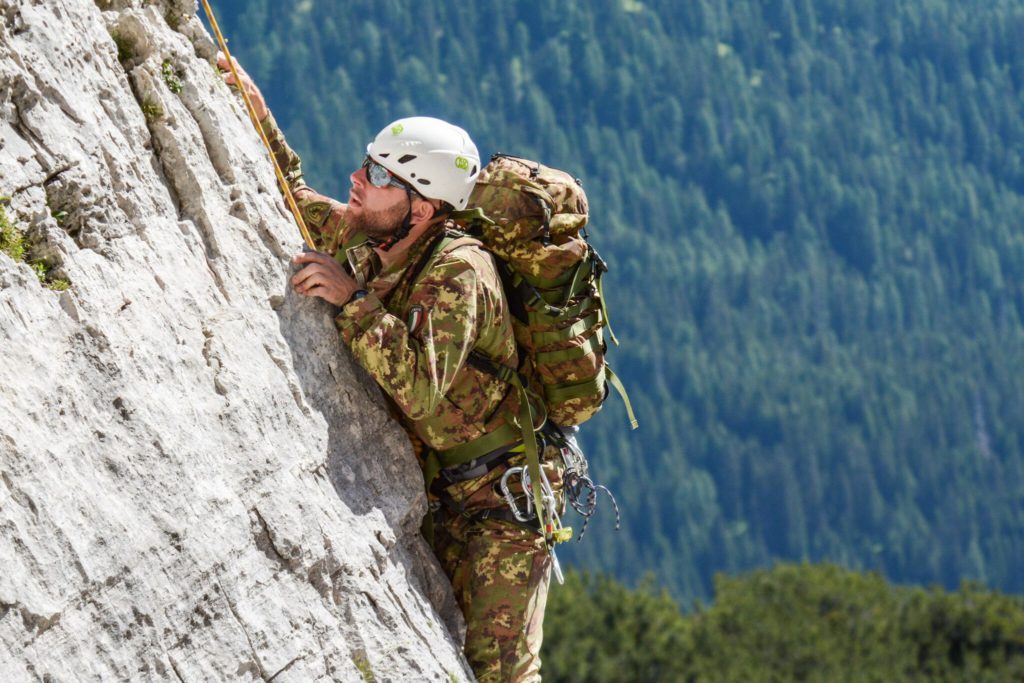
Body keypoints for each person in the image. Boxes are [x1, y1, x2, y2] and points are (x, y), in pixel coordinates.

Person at [219, 55, 564, 682]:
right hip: (446, 485)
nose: (357, 177)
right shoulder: (375, 239)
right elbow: (296, 196)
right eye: (367, 161)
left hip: (503, 504)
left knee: (499, 671)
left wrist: (352, 300)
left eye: (378, 174)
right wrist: (258, 115)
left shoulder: (460, 272)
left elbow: (421, 389)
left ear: (423, 208)